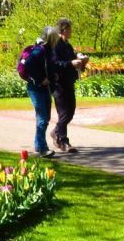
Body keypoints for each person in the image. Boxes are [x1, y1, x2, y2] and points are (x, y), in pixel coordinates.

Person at [50, 17, 89, 154]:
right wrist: (70, 63)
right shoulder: (55, 45)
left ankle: (56, 132)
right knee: (64, 114)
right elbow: (54, 64)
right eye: (70, 29)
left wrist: (81, 63)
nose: (71, 31)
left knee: (70, 112)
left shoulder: (67, 45)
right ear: (64, 30)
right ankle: (63, 141)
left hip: (68, 82)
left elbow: (72, 63)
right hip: (58, 83)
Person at [21, 26, 58, 157]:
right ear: (50, 38)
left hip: (44, 89)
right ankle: (43, 149)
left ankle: (38, 145)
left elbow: (49, 66)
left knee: (45, 118)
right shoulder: (39, 51)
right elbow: (28, 65)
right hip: (36, 88)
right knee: (42, 119)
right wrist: (41, 79)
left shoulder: (48, 50)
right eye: (55, 37)